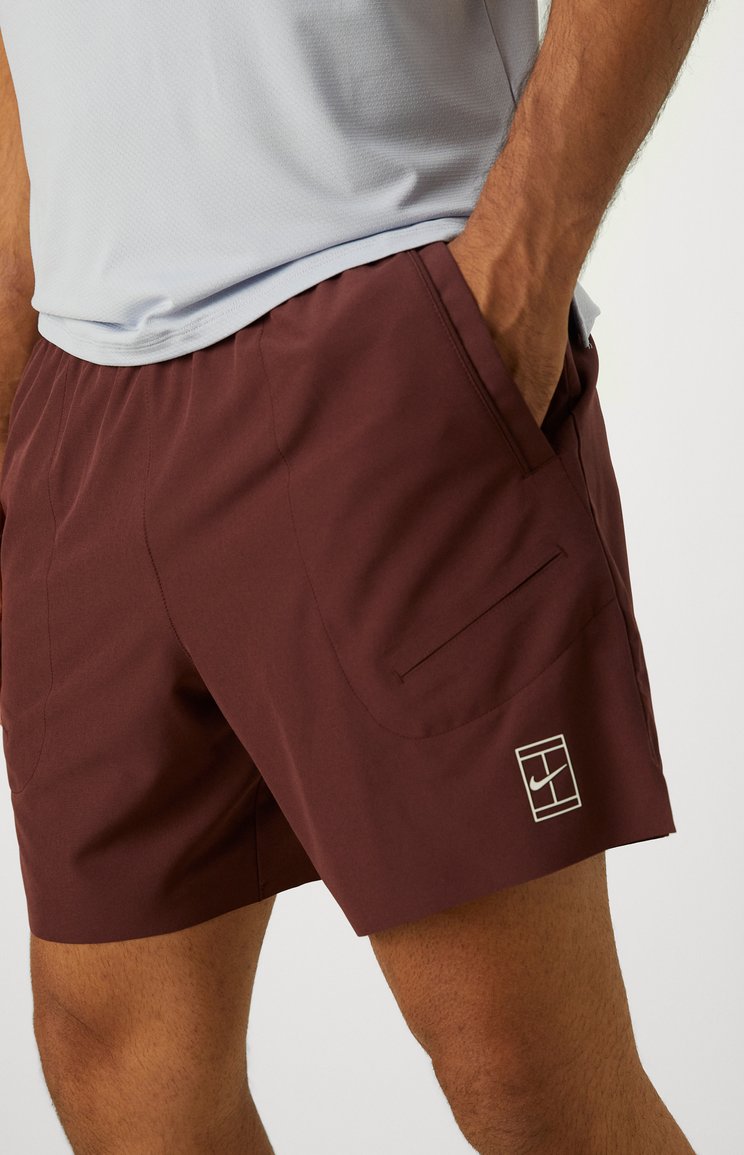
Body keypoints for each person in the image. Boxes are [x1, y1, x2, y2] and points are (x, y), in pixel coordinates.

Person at [0, 1, 706, 1150]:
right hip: (81, 375)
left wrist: (516, 277)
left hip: (371, 310)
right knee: (114, 1066)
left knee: (522, 1077)